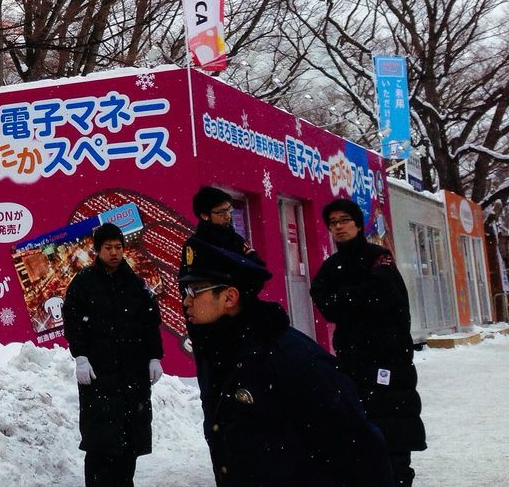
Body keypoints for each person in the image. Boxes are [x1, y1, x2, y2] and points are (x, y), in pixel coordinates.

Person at [180, 235, 392, 486]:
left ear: (229, 297)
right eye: (184, 291)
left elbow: (362, 452)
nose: (186, 302)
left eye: (194, 291)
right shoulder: (217, 355)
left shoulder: (293, 359)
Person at [310, 198, 426, 487]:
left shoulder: (379, 256)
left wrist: (347, 298)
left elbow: (384, 293)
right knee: (359, 433)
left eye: (344, 220)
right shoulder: (330, 267)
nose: (338, 226)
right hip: (352, 361)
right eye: (333, 222)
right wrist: (358, 298)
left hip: (389, 360)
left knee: (394, 434)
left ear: (358, 224)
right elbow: (325, 303)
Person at [61, 223, 164, 487]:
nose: (115, 253)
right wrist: (80, 356)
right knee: (100, 443)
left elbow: (151, 323)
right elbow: (72, 321)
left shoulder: (137, 285)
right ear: (97, 250)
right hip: (99, 376)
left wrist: (154, 356)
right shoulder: (83, 283)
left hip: (133, 377)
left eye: (118, 247)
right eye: (108, 248)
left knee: (129, 443)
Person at [189, 186, 262, 262]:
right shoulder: (195, 245)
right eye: (221, 212)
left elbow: (259, 267)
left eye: (229, 209)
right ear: (205, 216)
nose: (228, 216)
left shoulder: (237, 240)